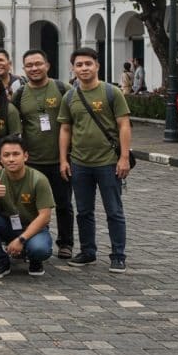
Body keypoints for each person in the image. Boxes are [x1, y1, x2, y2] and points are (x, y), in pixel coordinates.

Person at [58, 47, 131, 273]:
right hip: (80, 163)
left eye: (88, 64)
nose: (84, 68)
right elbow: (66, 129)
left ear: (97, 65)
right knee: (83, 211)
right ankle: (88, 251)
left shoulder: (111, 92)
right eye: (79, 65)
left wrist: (124, 157)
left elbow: (123, 125)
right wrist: (63, 159)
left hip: (108, 162)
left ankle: (118, 255)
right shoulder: (70, 96)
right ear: (73, 68)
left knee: (114, 211)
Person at [14, 49, 74, 259]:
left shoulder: (62, 88)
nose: (34, 68)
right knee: (30, 204)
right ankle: (33, 239)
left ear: (47, 65)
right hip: (33, 162)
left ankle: (65, 243)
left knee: (64, 203)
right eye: (29, 65)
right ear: (23, 69)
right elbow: (15, 124)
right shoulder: (20, 94)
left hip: (60, 159)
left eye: (38, 64)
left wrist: (67, 156)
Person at [0, 136, 54, 278]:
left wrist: (21, 240)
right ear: (0, 159)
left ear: (25, 156)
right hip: (8, 224)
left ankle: (35, 260)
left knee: (40, 249)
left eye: (16, 154)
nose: (11, 159)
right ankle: (1, 261)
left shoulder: (39, 179)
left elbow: (45, 216)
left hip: (34, 227)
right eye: (6, 155)